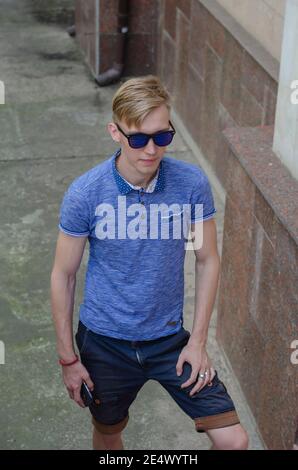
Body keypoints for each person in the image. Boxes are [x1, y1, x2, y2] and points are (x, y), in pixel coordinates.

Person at [51, 75, 249, 450]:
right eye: (138, 138)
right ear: (115, 132)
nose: (151, 149)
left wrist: (199, 342)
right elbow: (64, 275)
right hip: (104, 342)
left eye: (163, 136)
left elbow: (206, 260)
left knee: (234, 440)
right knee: (109, 433)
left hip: (170, 341)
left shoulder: (190, 184)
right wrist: (68, 359)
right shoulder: (86, 193)